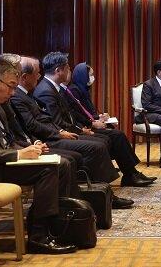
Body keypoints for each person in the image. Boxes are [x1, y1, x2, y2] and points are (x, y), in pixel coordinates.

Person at [0, 54, 76, 254]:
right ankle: (38, 236)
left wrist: (30, 148)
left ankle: (55, 225)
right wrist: (19, 155)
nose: (13, 92)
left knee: (60, 163)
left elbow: (7, 140)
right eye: (10, 86)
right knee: (48, 170)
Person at [10, 56, 134, 209]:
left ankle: (99, 194)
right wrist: (58, 133)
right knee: (96, 147)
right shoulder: (30, 94)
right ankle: (100, 196)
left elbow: (46, 119)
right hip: (48, 139)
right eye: (36, 73)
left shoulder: (28, 93)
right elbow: (32, 124)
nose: (39, 76)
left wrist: (63, 130)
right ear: (24, 77)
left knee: (100, 143)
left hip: (51, 135)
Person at [34, 52, 153, 187]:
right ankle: (102, 187)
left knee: (114, 136)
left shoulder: (54, 89)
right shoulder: (46, 91)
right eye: (67, 68)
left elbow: (69, 116)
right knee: (103, 142)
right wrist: (82, 130)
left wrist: (84, 127)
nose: (69, 71)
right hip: (58, 136)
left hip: (70, 130)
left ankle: (129, 174)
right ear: (58, 70)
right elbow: (58, 122)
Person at [61, 63, 157, 184]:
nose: (92, 77)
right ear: (83, 76)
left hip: (89, 124)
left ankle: (131, 173)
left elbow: (86, 111)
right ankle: (130, 174)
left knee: (116, 134)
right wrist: (92, 123)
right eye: (90, 75)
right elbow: (76, 114)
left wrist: (99, 117)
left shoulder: (82, 90)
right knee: (117, 136)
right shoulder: (74, 90)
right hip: (83, 127)